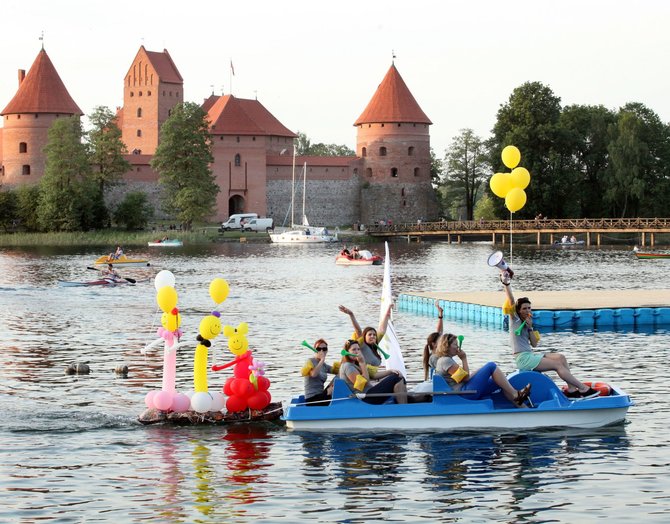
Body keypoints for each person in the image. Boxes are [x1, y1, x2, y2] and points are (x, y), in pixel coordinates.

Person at [501, 271, 599, 399]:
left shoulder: (528, 323)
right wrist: (506, 283)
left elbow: (534, 344)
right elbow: (511, 299)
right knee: (557, 366)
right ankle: (583, 388)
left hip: (530, 355)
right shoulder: (515, 319)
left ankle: (571, 389)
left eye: (529, 308)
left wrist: (530, 328)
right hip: (523, 359)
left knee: (560, 358)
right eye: (524, 308)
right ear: (518, 310)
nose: (527, 311)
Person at [433, 333, 532, 406]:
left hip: (464, 390)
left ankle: (521, 405)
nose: (457, 347)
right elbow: (466, 378)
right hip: (464, 394)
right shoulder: (446, 361)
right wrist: (464, 359)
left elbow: (464, 378)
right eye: (455, 344)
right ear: (447, 346)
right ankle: (515, 394)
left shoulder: (445, 360)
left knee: (500, 381)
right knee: (491, 366)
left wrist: (480, 371)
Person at [339, 339, 407, 404]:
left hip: (370, 393)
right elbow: (363, 384)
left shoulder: (356, 364)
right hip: (365, 398)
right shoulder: (348, 366)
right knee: (395, 378)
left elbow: (374, 375)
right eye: (353, 349)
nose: (357, 352)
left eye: (358, 349)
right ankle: (403, 408)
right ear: (347, 352)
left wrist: (391, 371)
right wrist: (362, 363)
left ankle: (404, 404)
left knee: (399, 377)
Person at [300, 339, 338, 406]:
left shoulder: (324, 365)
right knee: (333, 389)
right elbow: (313, 374)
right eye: (319, 349)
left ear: (327, 351)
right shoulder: (310, 361)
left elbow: (339, 371)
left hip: (321, 395)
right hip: (312, 399)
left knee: (339, 377)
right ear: (314, 350)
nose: (321, 351)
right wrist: (322, 360)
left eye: (324, 349)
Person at [422, 300, 444, 381]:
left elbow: (439, 332)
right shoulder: (434, 358)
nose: (443, 342)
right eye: (441, 341)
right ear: (434, 344)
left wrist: (440, 316)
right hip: (439, 386)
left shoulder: (437, 354)